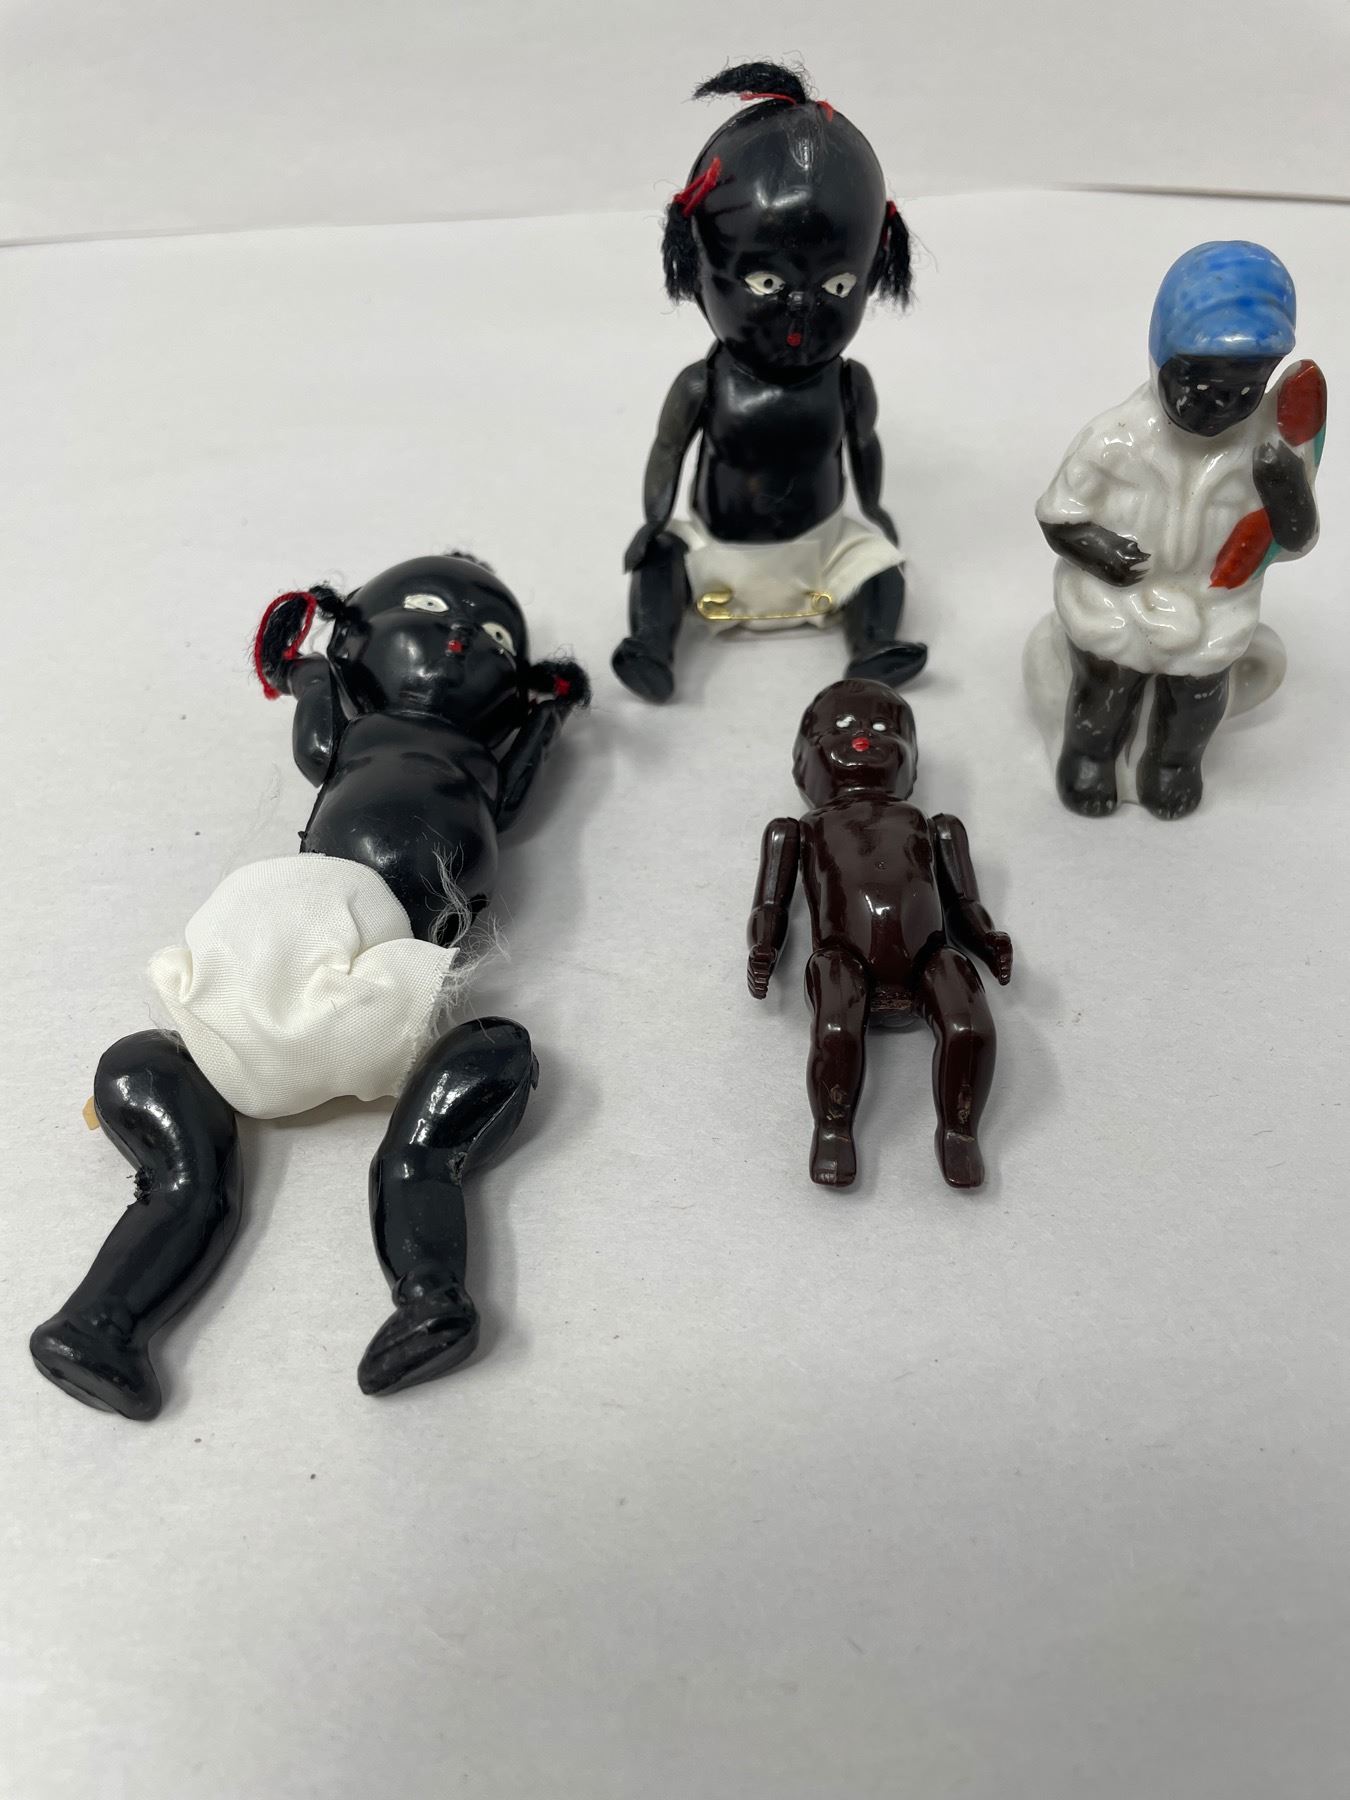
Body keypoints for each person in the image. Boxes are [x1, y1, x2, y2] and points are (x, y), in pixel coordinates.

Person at [612, 61, 927, 703]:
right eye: (766, 283)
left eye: (837, 284)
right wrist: (654, 518)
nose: (802, 308)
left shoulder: (848, 383)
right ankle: (651, 645)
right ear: (698, 269)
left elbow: (864, 447)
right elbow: (668, 451)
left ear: (873, 274)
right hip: (717, 549)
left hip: (819, 546)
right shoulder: (702, 384)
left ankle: (873, 644)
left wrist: (875, 509)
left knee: (879, 565)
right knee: (661, 559)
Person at [1037, 240, 1325, 819]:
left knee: (1196, 696)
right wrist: (1101, 553)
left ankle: (1173, 763)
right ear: (1160, 358)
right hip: (1119, 594)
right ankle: (1090, 754)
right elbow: (1059, 516)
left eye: (1244, 391)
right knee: (1107, 686)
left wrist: (1285, 489)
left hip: (1213, 598)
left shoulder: (1264, 448)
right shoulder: (1113, 439)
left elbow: (1294, 541)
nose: (1221, 407)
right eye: (1200, 386)